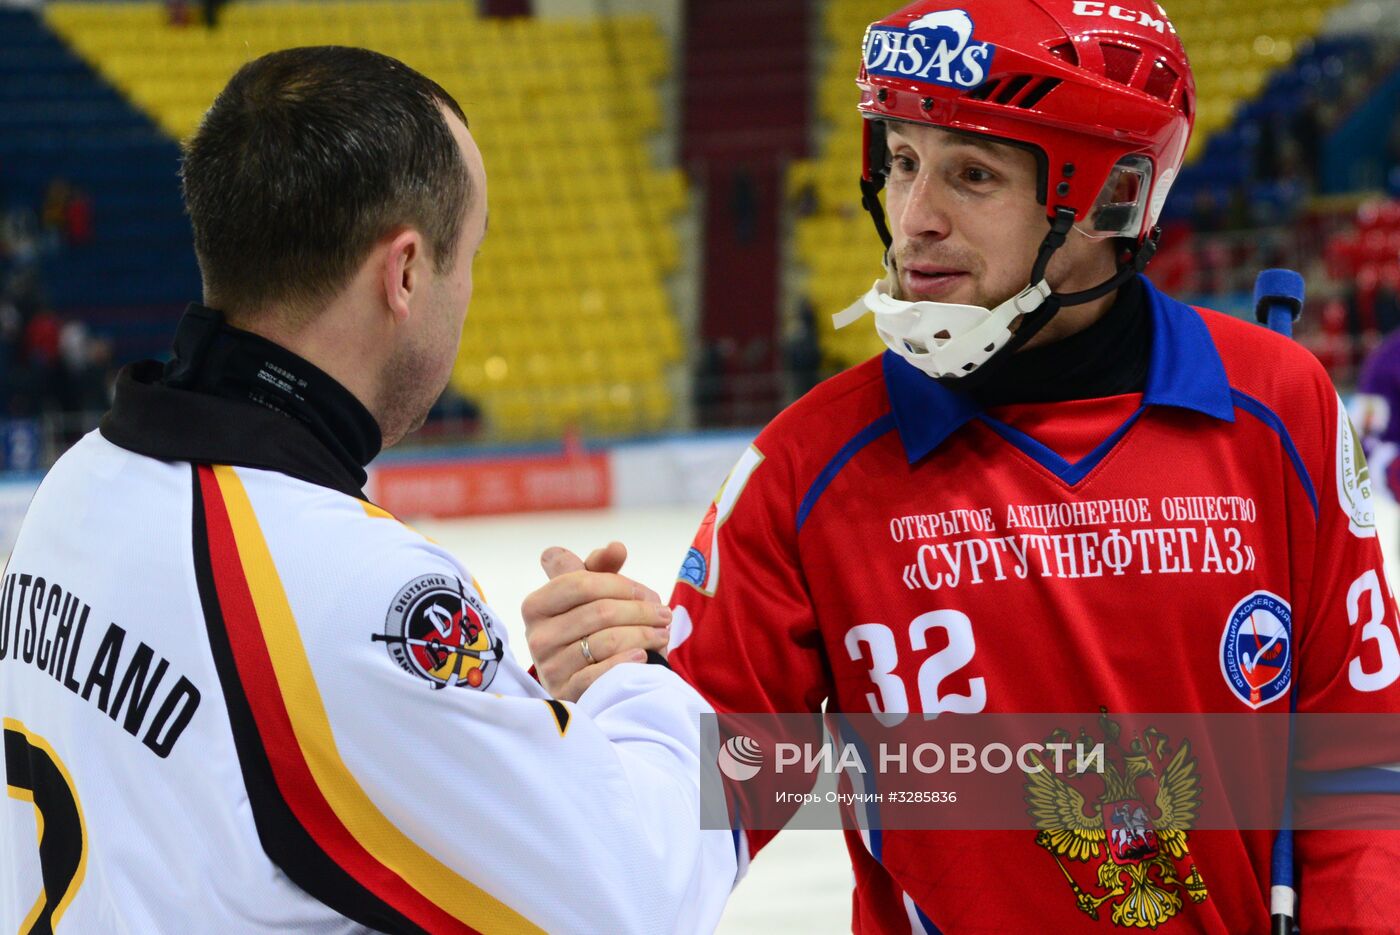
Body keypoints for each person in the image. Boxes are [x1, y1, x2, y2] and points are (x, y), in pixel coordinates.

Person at [525, 1, 1400, 931]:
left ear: (1110, 196)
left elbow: (1361, 761)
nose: (914, 219)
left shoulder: (1278, 404)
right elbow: (697, 800)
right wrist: (624, 681)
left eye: (971, 174)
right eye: (903, 162)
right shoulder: (804, 465)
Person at [0, 46, 733, 933]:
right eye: (470, 255)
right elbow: (641, 900)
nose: (466, 293)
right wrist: (632, 679)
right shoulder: (350, 592)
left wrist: (514, 715)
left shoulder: (81, 482)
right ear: (408, 272)